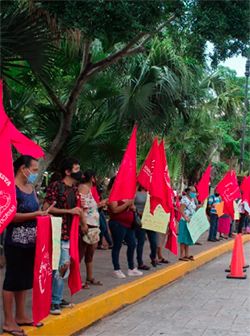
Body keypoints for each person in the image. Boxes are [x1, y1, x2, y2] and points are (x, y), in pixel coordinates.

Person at [2, 155, 50, 336]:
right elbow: (11, 216)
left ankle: (21, 315)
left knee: (23, 281)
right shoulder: (11, 189)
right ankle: (8, 321)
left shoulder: (30, 188)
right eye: (34, 169)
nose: (35, 173)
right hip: (15, 242)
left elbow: (35, 211)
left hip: (31, 242)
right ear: (23, 168)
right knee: (12, 281)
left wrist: (42, 216)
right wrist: (36, 215)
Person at [43, 158, 88, 315]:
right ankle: (54, 301)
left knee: (65, 266)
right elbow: (46, 208)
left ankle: (57, 297)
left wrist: (83, 222)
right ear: (68, 171)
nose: (79, 171)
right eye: (76, 169)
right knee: (62, 265)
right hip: (57, 232)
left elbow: (78, 208)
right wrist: (68, 212)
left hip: (70, 233)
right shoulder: (56, 186)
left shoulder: (75, 189)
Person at [108, 177, 143, 279]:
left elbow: (131, 207)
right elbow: (114, 210)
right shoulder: (113, 195)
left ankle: (131, 268)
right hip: (118, 224)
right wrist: (127, 204)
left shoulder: (126, 194)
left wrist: (133, 207)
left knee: (132, 244)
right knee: (117, 246)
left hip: (129, 224)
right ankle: (116, 269)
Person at [78, 170, 104, 287]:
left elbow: (90, 208)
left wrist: (101, 204)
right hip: (87, 225)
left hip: (93, 224)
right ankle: (77, 280)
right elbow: (82, 207)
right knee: (80, 253)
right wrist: (83, 224)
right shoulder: (83, 188)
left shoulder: (89, 190)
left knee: (90, 253)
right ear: (92, 178)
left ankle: (89, 277)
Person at [134, 185, 158, 270]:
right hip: (140, 221)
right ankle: (140, 262)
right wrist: (138, 212)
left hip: (150, 221)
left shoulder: (152, 193)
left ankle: (153, 256)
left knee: (154, 242)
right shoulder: (135, 193)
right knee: (141, 242)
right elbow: (131, 205)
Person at [178, 186, 197, 261]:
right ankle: (181, 255)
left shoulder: (192, 199)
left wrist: (200, 205)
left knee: (188, 238)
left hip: (190, 222)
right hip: (184, 221)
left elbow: (193, 209)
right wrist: (185, 217)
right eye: (193, 191)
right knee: (183, 238)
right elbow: (181, 210)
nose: (194, 193)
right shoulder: (184, 199)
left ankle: (187, 254)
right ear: (188, 191)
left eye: (195, 191)